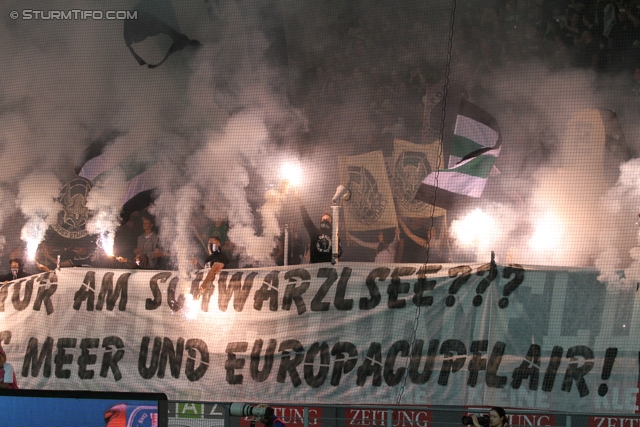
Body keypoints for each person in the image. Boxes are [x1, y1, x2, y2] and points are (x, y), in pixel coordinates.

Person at [295, 193, 342, 263]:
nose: (325, 221)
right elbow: (306, 220)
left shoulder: (334, 236)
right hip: (315, 268)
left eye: (327, 220)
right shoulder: (315, 232)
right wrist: (300, 203)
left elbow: (338, 253)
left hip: (329, 269)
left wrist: (337, 241)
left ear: (332, 223)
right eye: (323, 219)